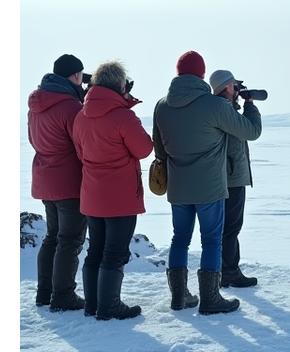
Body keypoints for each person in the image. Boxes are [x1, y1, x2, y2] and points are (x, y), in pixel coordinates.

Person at [153, 51, 261, 315]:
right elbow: (251, 131)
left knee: (180, 239)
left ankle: (179, 296)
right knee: (211, 239)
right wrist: (249, 105)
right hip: (210, 186)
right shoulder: (214, 106)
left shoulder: (162, 105)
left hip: (178, 186)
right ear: (201, 74)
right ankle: (210, 299)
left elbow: (159, 147)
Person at [72, 61, 153, 320]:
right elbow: (144, 149)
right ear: (120, 85)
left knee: (95, 249)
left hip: (92, 194)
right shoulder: (122, 116)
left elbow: (80, 153)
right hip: (120, 196)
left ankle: (93, 304)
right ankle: (110, 306)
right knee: (115, 252)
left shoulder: (81, 115)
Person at [27, 54, 88, 311]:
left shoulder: (37, 104)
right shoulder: (71, 107)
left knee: (53, 237)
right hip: (68, 181)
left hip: (44, 177)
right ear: (74, 76)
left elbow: (32, 140)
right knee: (70, 239)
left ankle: (45, 292)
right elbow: (83, 144)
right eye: (81, 76)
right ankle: (63, 295)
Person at [210, 70, 258, 288]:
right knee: (231, 227)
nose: (237, 91)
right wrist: (250, 105)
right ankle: (229, 271)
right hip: (232, 177)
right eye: (235, 87)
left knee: (225, 227)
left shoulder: (219, 109)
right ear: (227, 87)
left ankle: (223, 270)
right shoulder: (226, 111)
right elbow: (252, 131)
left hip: (225, 175)